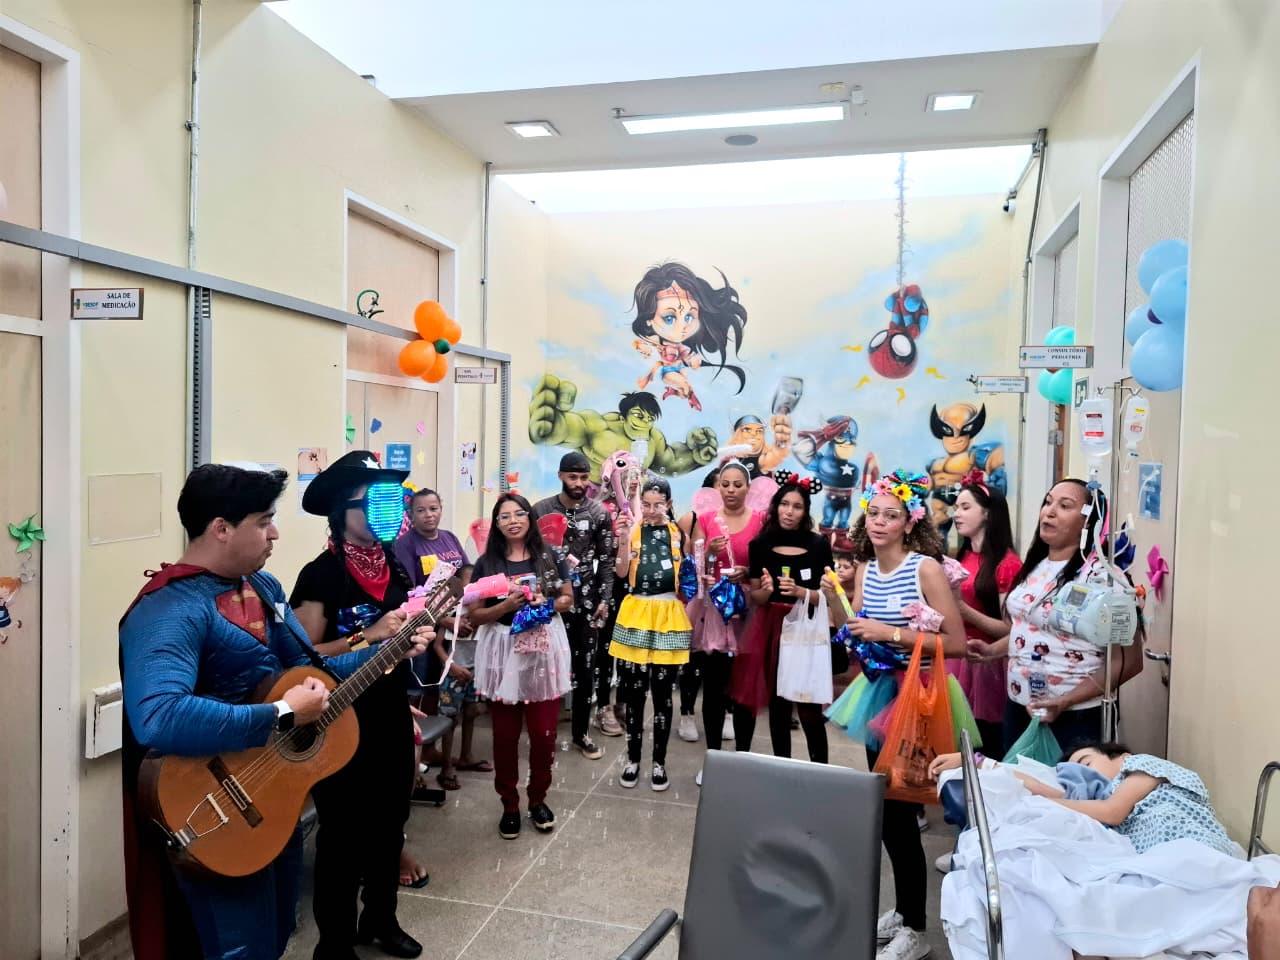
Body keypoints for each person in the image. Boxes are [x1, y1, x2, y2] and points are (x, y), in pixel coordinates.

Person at [119, 463, 431, 960]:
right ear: (221, 528)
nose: (276, 533)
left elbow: (309, 665)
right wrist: (284, 712)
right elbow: (158, 716)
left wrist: (390, 649)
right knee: (234, 944)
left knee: (274, 933)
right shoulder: (169, 609)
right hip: (214, 808)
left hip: (274, 793)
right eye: (264, 521)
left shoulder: (263, 589)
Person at [290, 451, 426, 960]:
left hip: (390, 712)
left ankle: (380, 920)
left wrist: (415, 635)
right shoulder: (319, 574)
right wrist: (366, 636)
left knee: (390, 825)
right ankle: (335, 943)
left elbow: (400, 633)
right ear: (342, 510)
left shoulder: (395, 566)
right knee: (343, 836)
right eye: (376, 499)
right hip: (338, 721)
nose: (389, 509)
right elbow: (302, 658)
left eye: (393, 498)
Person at [827, 469, 967, 960]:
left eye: (892, 515)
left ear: (910, 522)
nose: (881, 521)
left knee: (900, 811)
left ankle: (916, 928)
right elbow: (858, 626)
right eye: (875, 513)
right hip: (879, 695)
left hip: (919, 697)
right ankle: (906, 914)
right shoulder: (865, 569)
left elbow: (957, 644)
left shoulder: (924, 568)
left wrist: (892, 636)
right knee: (885, 809)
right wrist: (836, 604)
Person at [985, 479, 1143, 753]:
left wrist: (1066, 701)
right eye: (1047, 502)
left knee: (1064, 793)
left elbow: (1128, 662)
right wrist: (991, 650)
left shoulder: (1106, 579)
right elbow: (1034, 629)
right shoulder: (1033, 568)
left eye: (1065, 506)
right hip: (1020, 706)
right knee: (1016, 789)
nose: (1050, 511)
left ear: (1087, 522)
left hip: (1075, 716)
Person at [467, 493, 574, 839]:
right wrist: (506, 605)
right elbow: (476, 615)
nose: (513, 520)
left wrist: (549, 602)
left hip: (543, 646)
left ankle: (538, 799)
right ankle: (509, 804)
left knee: (544, 736)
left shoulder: (551, 556)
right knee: (505, 736)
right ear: (496, 524)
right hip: (503, 650)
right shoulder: (488, 563)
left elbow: (568, 599)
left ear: (529, 517)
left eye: (519, 513)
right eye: (504, 516)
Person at [928, 742, 1235, 856]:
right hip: (1155, 857)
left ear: (1121, 755)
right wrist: (980, 762)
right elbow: (1050, 788)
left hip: (1193, 844)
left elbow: (1112, 811)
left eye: (1086, 763)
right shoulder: (1104, 794)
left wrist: (1041, 804)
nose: (1082, 776)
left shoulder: (1142, 765)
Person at [730, 471, 834, 762]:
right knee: (776, 703)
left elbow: (830, 596)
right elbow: (758, 598)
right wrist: (764, 589)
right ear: (775, 507)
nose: (789, 512)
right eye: (784, 504)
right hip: (768, 628)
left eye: (797, 506)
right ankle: (780, 766)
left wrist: (802, 592)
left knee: (809, 706)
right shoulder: (759, 545)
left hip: (805, 628)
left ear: (805, 511)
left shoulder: (819, 545)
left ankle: (820, 771)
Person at [610, 477, 694, 790]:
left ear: (670, 505)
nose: (651, 510)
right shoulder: (632, 530)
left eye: (658, 504)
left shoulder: (678, 534)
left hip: (668, 613)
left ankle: (659, 763)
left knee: (662, 695)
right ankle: (633, 759)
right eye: (646, 504)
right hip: (636, 612)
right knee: (633, 693)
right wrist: (620, 538)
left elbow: (687, 575)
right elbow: (620, 572)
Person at [531, 451, 614, 760]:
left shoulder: (599, 513)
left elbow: (606, 562)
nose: (579, 483)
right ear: (561, 476)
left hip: (587, 601)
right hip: (550, 603)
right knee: (544, 666)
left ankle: (581, 733)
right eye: (572, 477)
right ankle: (544, 733)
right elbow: (531, 558)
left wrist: (604, 600)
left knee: (585, 669)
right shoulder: (540, 510)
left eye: (583, 477)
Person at [685, 461, 764, 780]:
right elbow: (696, 567)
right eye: (725, 484)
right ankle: (714, 760)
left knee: (744, 689)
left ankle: (742, 759)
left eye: (737, 484)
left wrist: (749, 573)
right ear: (717, 487)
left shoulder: (761, 521)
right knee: (715, 688)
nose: (731, 490)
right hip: (717, 611)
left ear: (748, 488)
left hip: (748, 610)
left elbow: (764, 564)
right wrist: (713, 555)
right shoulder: (705, 520)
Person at [948, 474, 1021, 759]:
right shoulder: (961, 557)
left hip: (989, 664)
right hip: (958, 659)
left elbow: (1010, 630)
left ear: (988, 514)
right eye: (956, 507)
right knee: (958, 743)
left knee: (985, 746)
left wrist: (963, 610)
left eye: (965, 507)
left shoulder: (1008, 565)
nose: (956, 514)